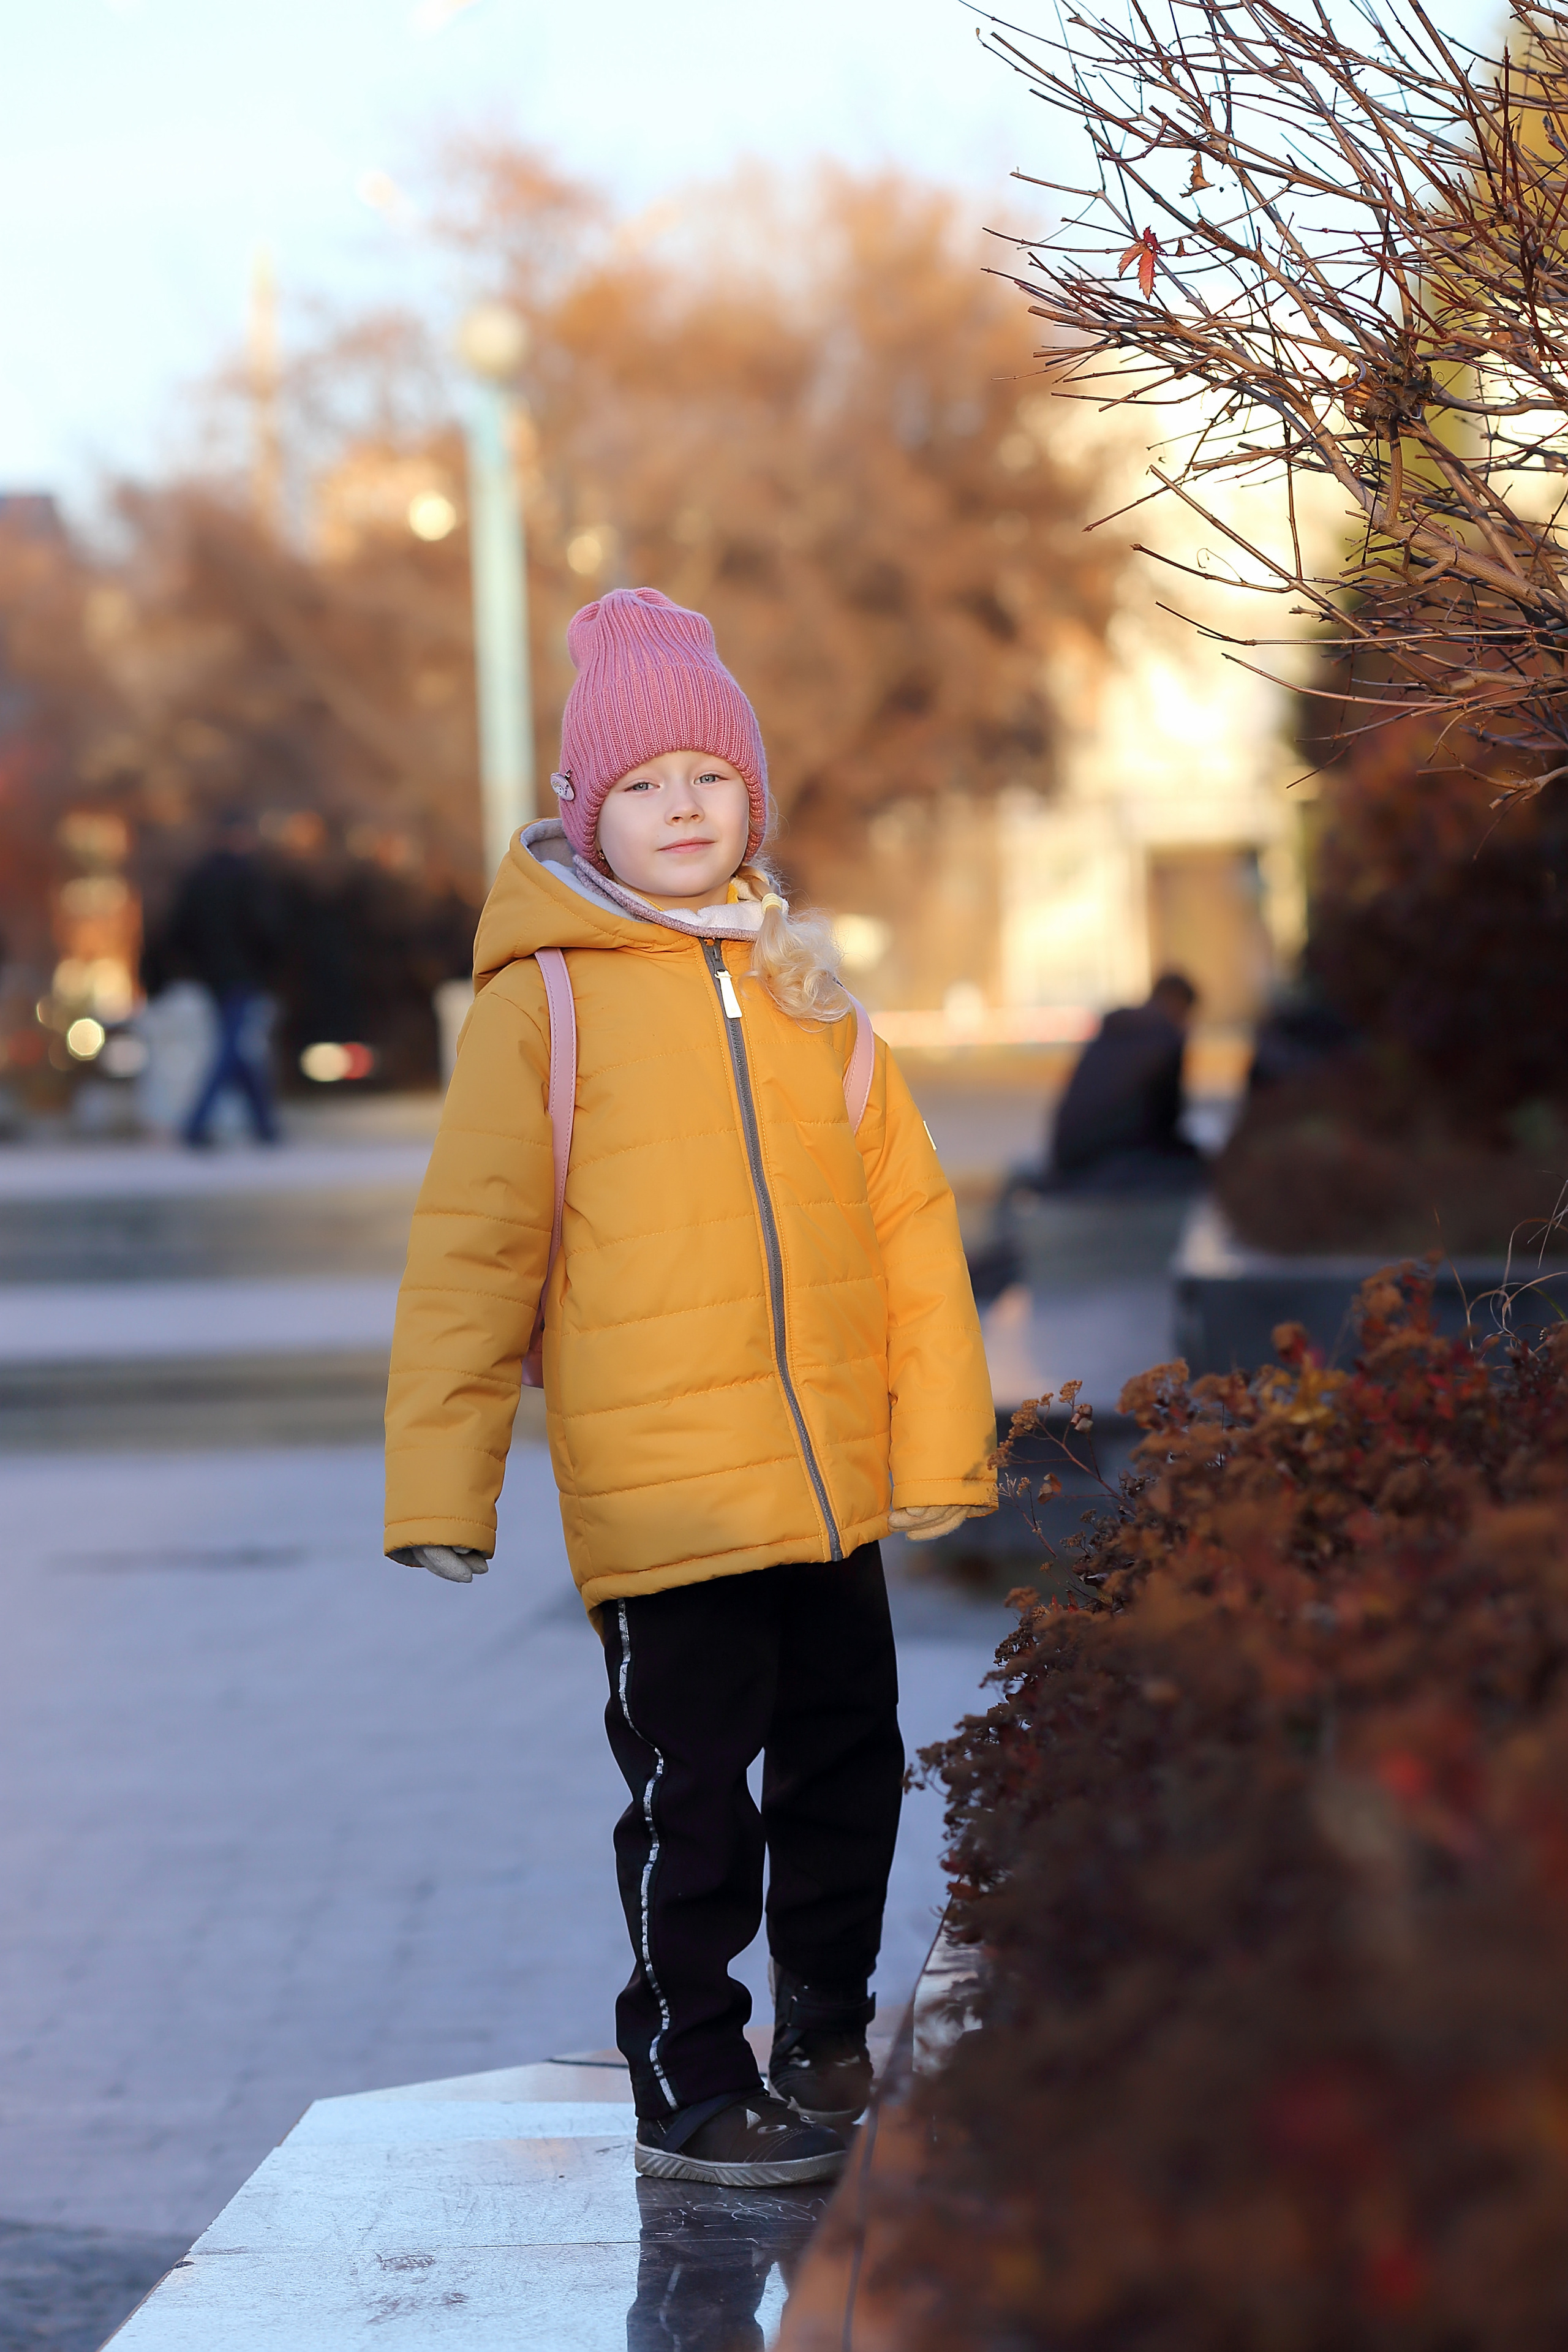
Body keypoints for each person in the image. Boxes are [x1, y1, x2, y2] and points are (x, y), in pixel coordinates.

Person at [383, 587, 996, 2189]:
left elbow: (913, 1234)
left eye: (708, 780)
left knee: (851, 1764)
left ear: (752, 801)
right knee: (695, 1798)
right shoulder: (551, 1005)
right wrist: (444, 1488)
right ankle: (690, 2064)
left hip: (827, 1491)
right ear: (590, 810)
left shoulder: (810, 997)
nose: (680, 808)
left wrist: (933, 1449)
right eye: (644, 784)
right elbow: (475, 1252)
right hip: (669, 1504)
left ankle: (824, 2031)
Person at [162, 811, 285, 1147]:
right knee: (231, 1048)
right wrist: (267, 966)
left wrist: (194, 965)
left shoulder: (199, 877)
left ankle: (265, 1124)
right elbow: (266, 930)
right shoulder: (248, 877)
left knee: (235, 1045)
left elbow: (179, 930)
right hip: (240, 974)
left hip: (213, 976)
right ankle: (197, 1123)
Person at [1046, 970, 1203, 1190]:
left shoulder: (1113, 1030)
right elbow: (1169, 1119)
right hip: (1113, 1166)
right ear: (1181, 1005)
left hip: (1069, 1159)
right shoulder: (1166, 1036)